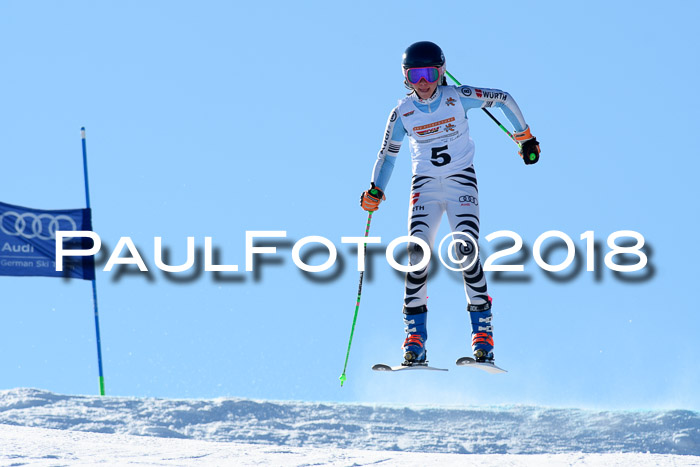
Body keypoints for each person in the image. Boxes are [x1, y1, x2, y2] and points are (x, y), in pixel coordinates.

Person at [360, 41, 540, 366]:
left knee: (465, 250)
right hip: (425, 188)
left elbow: (503, 99)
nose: (424, 82)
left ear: (441, 71)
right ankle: (415, 341)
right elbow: (387, 156)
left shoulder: (458, 97)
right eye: (415, 76)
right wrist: (375, 189)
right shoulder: (402, 112)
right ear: (405, 78)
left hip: (461, 183)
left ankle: (482, 335)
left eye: (429, 73)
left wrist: (524, 136)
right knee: (416, 256)